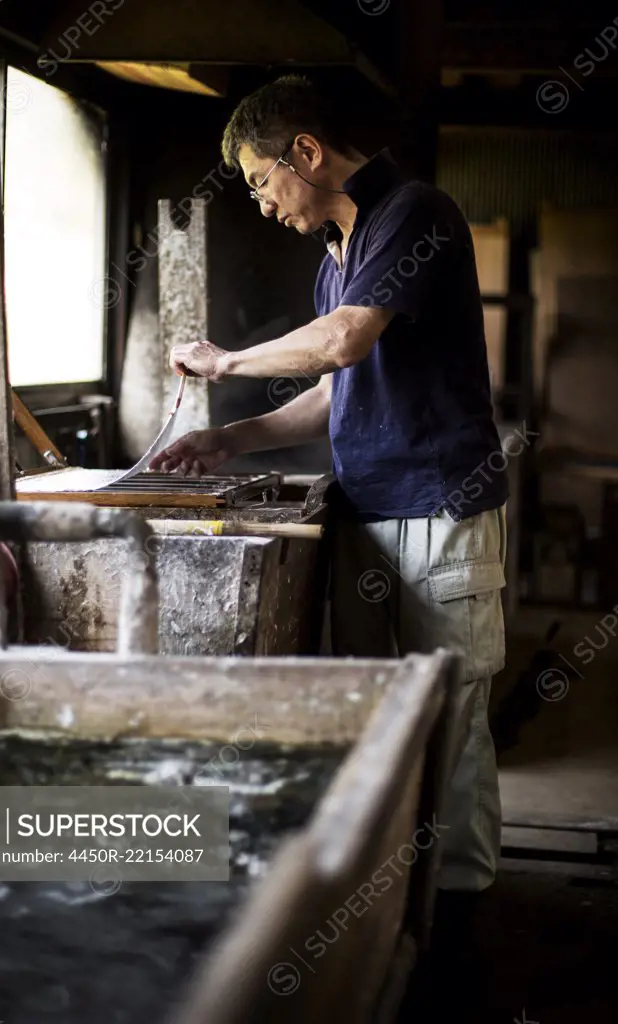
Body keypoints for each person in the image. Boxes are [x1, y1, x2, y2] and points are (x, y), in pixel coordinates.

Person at [150, 75, 508, 900]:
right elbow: (334, 388)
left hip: (437, 514)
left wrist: (227, 360)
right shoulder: (335, 261)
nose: (264, 206)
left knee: (449, 721)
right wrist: (227, 436)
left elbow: (344, 343)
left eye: (260, 181)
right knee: (369, 716)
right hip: (366, 510)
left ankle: (458, 912)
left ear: (305, 153)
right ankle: (387, 910)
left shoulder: (414, 213)